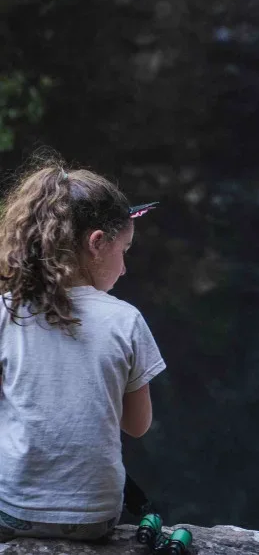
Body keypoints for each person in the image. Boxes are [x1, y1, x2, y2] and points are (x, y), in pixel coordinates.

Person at [0, 155, 165, 541]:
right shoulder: (125, 320)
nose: (124, 268)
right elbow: (137, 426)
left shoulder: (5, 312)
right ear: (97, 243)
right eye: (124, 250)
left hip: (12, 512)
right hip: (94, 519)